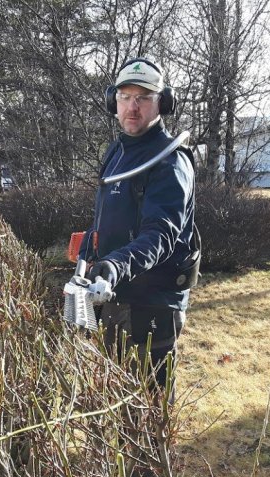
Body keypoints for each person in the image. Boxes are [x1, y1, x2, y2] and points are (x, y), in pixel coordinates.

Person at [78, 57, 197, 396]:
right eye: (125, 96)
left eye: (144, 97)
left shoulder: (170, 161)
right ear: (112, 101)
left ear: (163, 102)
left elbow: (161, 235)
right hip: (112, 292)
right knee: (109, 392)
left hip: (151, 302)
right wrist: (86, 258)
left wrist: (116, 265)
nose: (133, 106)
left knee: (148, 403)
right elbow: (106, 217)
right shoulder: (117, 152)